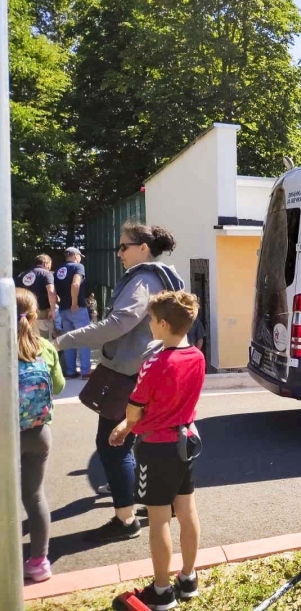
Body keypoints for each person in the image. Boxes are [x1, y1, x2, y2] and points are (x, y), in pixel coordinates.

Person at [55, 223, 184, 543]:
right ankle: (161, 504)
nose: (119, 253)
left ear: (143, 248)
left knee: (113, 445)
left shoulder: (142, 278)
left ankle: (126, 520)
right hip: (152, 369)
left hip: (130, 376)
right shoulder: (163, 276)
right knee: (145, 443)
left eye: (124, 247)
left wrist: (64, 340)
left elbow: (119, 322)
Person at [109, 291, 205, 609]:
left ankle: (162, 592)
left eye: (151, 320)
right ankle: (188, 578)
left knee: (159, 518)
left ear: (163, 323)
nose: (149, 325)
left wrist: (124, 427)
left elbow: (135, 409)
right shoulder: (197, 356)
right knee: (187, 512)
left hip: (157, 447)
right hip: (186, 442)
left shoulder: (157, 363)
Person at [17, 288, 66, 582]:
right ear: (36, 316)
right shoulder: (44, 348)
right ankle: (39, 563)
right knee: (34, 496)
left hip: (6, 433)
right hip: (38, 432)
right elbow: (58, 387)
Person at [56, 247, 92, 379]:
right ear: (76, 256)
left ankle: (70, 371)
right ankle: (86, 371)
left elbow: (53, 290)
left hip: (63, 309)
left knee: (69, 340)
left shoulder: (59, 270)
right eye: (80, 256)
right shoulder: (78, 267)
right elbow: (76, 284)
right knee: (84, 338)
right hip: (76, 308)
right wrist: (74, 303)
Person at [16, 254, 58, 340]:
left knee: (28, 339)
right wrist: (53, 310)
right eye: (50, 264)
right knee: (44, 340)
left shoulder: (23, 274)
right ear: (46, 263)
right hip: (42, 312)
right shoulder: (47, 274)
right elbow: (51, 291)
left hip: (25, 314)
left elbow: (16, 293)